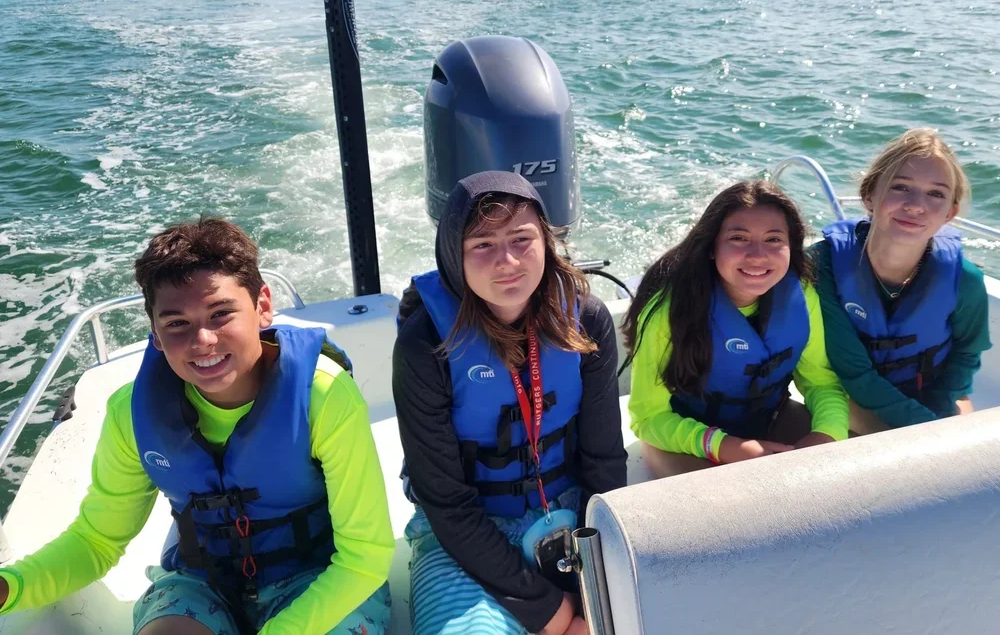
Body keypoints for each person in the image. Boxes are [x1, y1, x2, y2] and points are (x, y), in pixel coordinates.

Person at [0, 218, 394, 634]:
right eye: (176, 324)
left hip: (321, 577)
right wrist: (10, 588)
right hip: (201, 583)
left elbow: (364, 556)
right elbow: (96, 540)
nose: (202, 340)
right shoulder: (130, 413)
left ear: (262, 306)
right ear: (154, 332)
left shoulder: (323, 396)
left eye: (221, 313)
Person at [393, 171, 627, 635]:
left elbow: (603, 461)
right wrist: (548, 610)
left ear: (547, 239)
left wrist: (595, 576)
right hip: (463, 533)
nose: (507, 261)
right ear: (453, 255)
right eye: (482, 245)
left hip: (574, 515)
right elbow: (445, 500)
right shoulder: (426, 344)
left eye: (522, 238)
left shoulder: (588, 319)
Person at [624, 181, 849, 478]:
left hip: (769, 419)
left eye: (773, 240)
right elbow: (648, 417)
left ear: (791, 249)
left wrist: (826, 435)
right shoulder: (669, 311)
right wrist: (726, 446)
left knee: (842, 471)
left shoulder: (803, 294)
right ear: (711, 248)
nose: (757, 255)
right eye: (739, 238)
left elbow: (821, 382)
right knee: (725, 511)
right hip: (683, 438)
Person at [813, 128, 992, 432]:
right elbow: (855, 374)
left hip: (933, 396)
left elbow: (966, 354)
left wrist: (941, 409)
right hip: (852, 397)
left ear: (950, 212)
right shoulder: (823, 267)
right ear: (869, 196)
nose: (915, 205)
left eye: (936, 194)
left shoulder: (966, 279)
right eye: (900, 187)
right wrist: (928, 431)